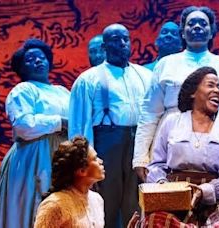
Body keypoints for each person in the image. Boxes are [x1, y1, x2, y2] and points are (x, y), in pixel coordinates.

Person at [133, 6, 219, 186]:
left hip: (218, 137)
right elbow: (150, 113)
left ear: (212, 32)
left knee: (218, 198)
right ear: (182, 32)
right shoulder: (166, 64)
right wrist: (140, 157)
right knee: (168, 202)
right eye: (191, 23)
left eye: (203, 23)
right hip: (172, 139)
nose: (197, 27)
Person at [68, 23, 152, 228]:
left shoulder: (145, 76)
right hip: (107, 144)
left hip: (138, 144)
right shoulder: (89, 79)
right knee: (106, 202)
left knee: (137, 202)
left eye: (125, 39)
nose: (122, 44)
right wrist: (84, 161)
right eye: (115, 40)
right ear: (104, 46)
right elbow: (79, 125)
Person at [144, 66, 219, 227]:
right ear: (193, 92)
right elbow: (157, 165)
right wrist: (163, 187)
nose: (217, 91)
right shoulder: (172, 122)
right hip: (175, 193)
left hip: (217, 195)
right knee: (157, 221)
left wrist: (205, 191)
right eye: (210, 85)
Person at [0, 39, 70, 228]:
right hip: (34, 153)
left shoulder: (62, 91)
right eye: (30, 59)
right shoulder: (23, 90)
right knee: (34, 206)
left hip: (61, 153)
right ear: (21, 67)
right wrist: (59, 122)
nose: (37, 61)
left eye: (41, 57)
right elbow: (23, 125)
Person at [34, 136, 105, 228]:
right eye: (95, 159)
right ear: (81, 171)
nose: (101, 161)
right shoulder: (55, 205)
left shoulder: (97, 200)